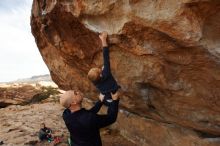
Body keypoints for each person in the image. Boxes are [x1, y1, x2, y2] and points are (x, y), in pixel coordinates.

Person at [87, 31, 120, 105]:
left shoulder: (94, 81)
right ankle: (111, 99)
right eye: (98, 69)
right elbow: (106, 56)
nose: (98, 68)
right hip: (113, 89)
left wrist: (102, 70)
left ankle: (108, 100)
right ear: (101, 74)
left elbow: (98, 76)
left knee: (108, 96)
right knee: (114, 95)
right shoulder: (106, 72)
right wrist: (103, 39)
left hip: (106, 92)